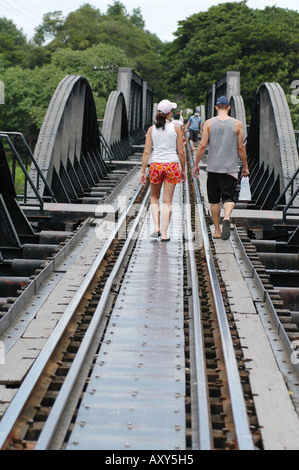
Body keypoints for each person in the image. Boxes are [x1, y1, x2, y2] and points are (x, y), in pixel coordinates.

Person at [193, 95, 249, 240]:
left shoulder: (208, 123)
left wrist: (195, 164)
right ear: (229, 107)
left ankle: (217, 231)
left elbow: (202, 145)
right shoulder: (237, 124)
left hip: (213, 168)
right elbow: (241, 147)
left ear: (216, 107)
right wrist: (245, 166)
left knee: (214, 200)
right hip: (230, 168)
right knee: (229, 197)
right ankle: (228, 217)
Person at [140, 99, 186, 241]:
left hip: (156, 166)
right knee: (167, 201)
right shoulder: (176, 129)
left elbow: (147, 152)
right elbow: (181, 152)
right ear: (170, 113)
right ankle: (165, 234)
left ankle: (156, 227)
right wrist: (183, 169)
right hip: (172, 165)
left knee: (154, 198)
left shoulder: (151, 130)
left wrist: (143, 171)